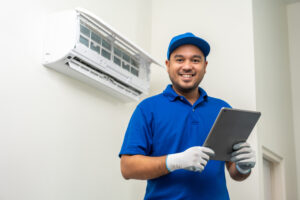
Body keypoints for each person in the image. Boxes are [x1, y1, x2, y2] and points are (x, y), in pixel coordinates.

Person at [119, 32, 256, 200]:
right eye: (180, 59)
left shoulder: (222, 108)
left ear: (205, 66)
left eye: (195, 60)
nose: (187, 66)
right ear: (168, 65)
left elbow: (234, 172)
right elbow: (127, 168)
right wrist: (174, 161)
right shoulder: (148, 109)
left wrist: (243, 167)